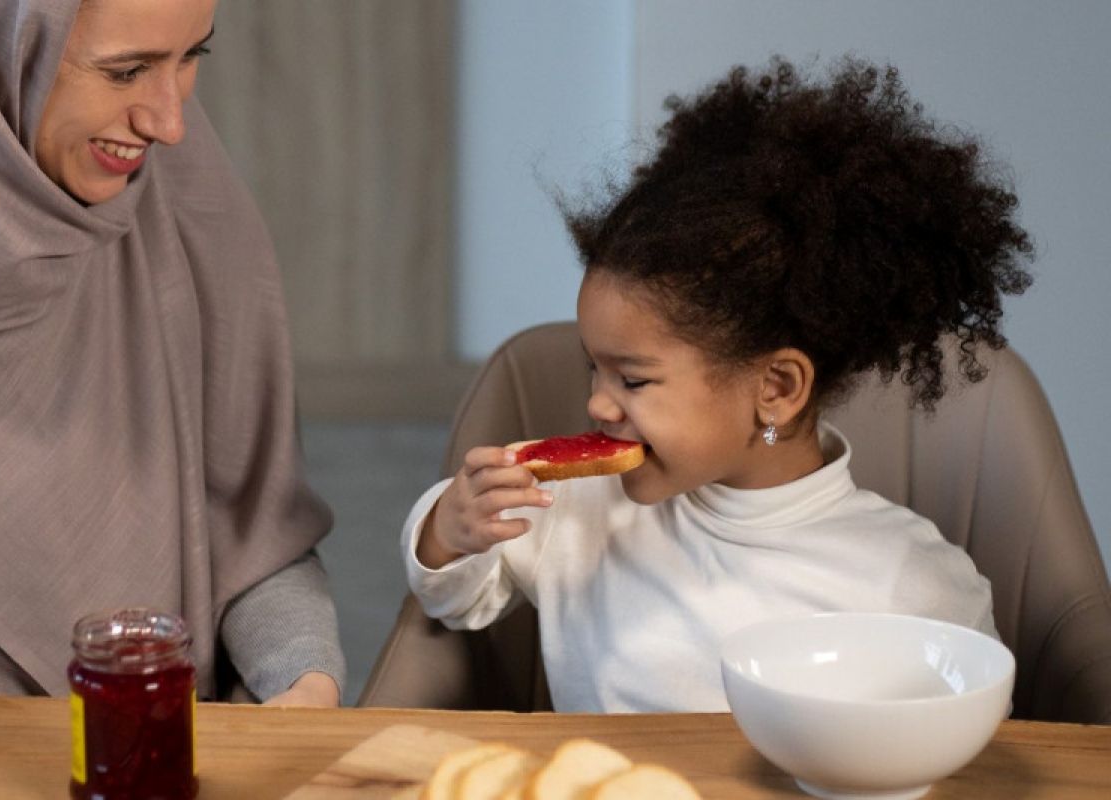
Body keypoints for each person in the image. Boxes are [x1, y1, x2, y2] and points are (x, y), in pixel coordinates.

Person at [402, 57, 1034, 712]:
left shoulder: (914, 580)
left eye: (634, 379)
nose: (596, 401)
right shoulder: (575, 512)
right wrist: (449, 530)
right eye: (595, 367)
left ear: (778, 388)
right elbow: (454, 601)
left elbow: (967, 743)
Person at [0, 0, 344, 706]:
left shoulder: (188, 217)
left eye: (190, 58)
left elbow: (254, 539)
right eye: (125, 71)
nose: (169, 125)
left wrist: (305, 682)